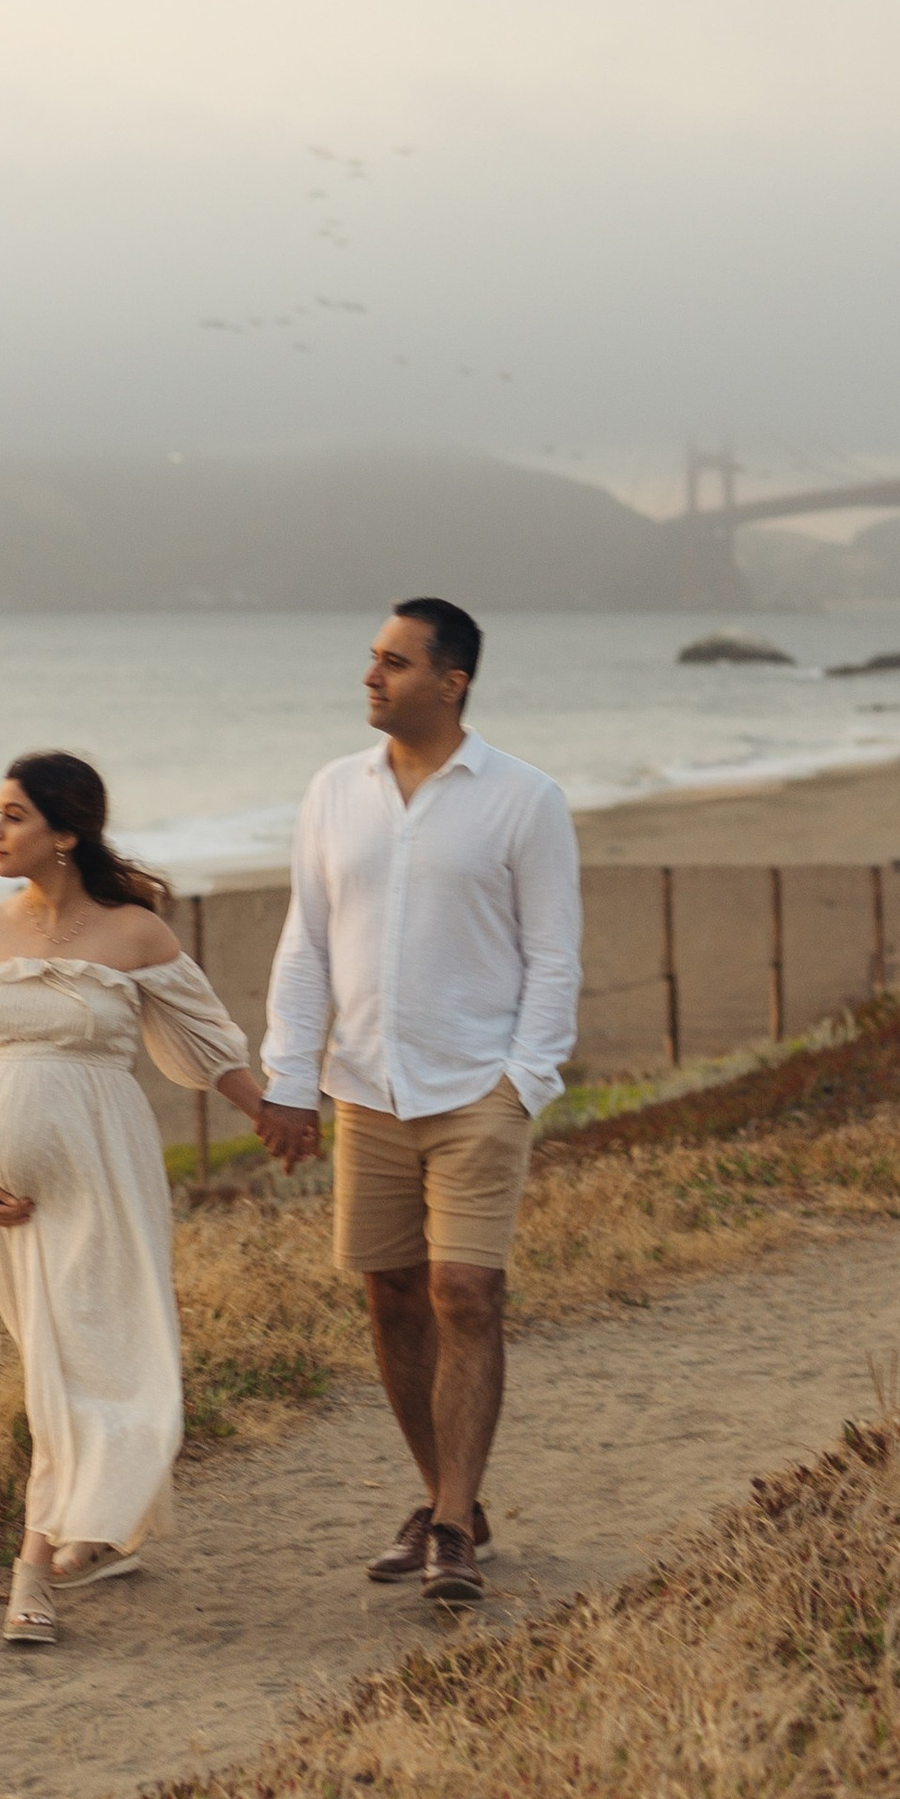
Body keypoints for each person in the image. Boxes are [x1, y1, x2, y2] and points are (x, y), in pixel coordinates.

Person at [259, 597, 582, 1608]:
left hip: (475, 1089)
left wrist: (522, 1080)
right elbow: (305, 944)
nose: (371, 676)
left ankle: (449, 1529)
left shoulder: (525, 799)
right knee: (390, 1296)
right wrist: (288, 1078)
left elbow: (554, 955)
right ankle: (449, 1498)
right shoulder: (331, 792)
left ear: (452, 683)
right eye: (371, 659)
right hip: (366, 1091)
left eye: (394, 664)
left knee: (465, 1295)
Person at [0, 750, 274, 1650]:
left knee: (108, 1355)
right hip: (0, 1193)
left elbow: (209, 1045)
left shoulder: (136, 934)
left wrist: (276, 1118)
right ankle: (86, 1531)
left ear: (65, 833)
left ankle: (34, 1565)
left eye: (13, 817)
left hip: (107, 1171)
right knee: (56, 1361)